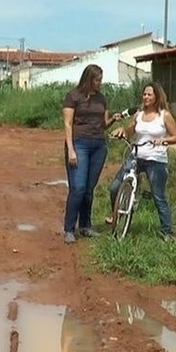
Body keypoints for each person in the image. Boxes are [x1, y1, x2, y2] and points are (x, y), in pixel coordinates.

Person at [61, 64, 126, 244]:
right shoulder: (73, 96)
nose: (100, 83)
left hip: (98, 145)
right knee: (78, 188)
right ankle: (69, 228)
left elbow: (103, 124)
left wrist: (113, 119)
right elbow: (68, 124)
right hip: (79, 144)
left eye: (101, 80)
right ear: (89, 79)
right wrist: (71, 150)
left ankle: (85, 226)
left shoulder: (101, 99)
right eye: (98, 80)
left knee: (89, 189)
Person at [107, 81, 176, 239]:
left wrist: (164, 140)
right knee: (114, 187)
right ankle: (116, 215)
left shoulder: (164, 115)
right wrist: (122, 131)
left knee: (158, 196)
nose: (146, 97)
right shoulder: (138, 115)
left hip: (156, 159)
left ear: (157, 96)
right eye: (144, 94)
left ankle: (167, 232)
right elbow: (130, 131)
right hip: (136, 155)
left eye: (149, 94)